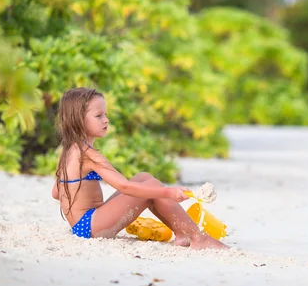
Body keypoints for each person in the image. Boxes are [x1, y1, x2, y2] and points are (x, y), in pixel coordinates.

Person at [51, 87, 228, 250]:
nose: (106, 120)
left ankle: (182, 233)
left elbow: (56, 193)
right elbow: (125, 187)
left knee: (143, 178)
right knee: (152, 188)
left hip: (82, 224)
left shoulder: (69, 150)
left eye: (105, 114)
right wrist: (168, 193)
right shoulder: (89, 155)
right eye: (98, 116)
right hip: (90, 226)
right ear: (78, 120)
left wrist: (79, 199)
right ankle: (198, 238)